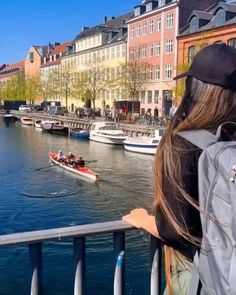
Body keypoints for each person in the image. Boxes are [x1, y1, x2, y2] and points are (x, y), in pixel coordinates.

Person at [122, 43, 236, 295]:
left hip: (200, 274)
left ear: (195, 89)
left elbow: (175, 231)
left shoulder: (184, 141)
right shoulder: (230, 137)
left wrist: (142, 219)